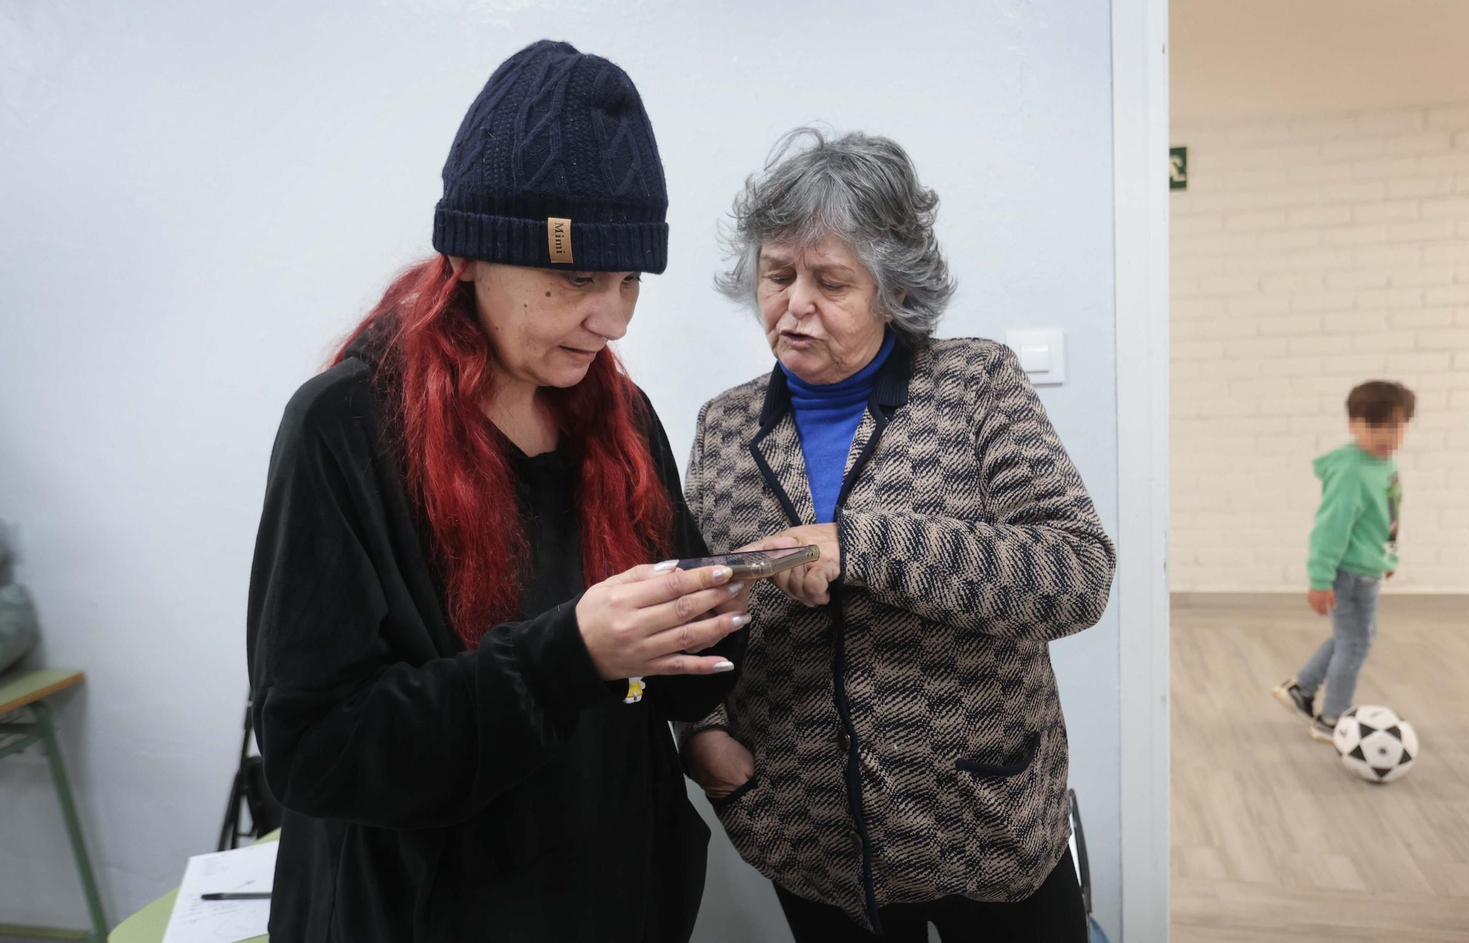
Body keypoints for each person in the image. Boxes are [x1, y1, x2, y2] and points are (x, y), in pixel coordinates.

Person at [246, 41, 751, 942]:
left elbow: (662, 695)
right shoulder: (349, 429)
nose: (613, 319)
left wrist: (712, 621)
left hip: (611, 896)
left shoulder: (620, 419)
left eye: (630, 279)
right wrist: (570, 654)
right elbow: (316, 751)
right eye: (575, 279)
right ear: (470, 256)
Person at [676, 128, 1117, 943]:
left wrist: (860, 544)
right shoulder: (723, 427)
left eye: (830, 281)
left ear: (895, 291)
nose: (793, 304)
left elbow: (1077, 572)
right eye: (777, 275)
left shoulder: (976, 383)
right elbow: (703, 607)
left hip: (988, 828)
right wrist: (701, 732)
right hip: (812, 846)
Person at [1272, 380, 1415, 743]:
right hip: (1348, 575)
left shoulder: (1384, 465)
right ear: (1353, 425)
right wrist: (1320, 579)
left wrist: (1387, 554)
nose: (1385, 436)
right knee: (1355, 644)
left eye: (1395, 427)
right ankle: (1332, 718)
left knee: (1351, 638)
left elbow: (1385, 515)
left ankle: (1301, 689)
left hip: (1367, 570)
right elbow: (1330, 530)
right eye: (1374, 426)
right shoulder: (1352, 472)